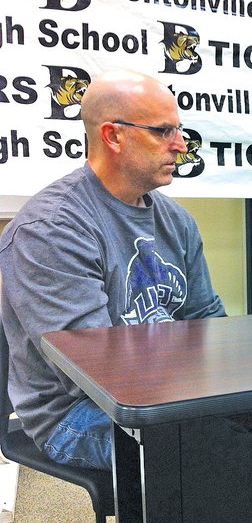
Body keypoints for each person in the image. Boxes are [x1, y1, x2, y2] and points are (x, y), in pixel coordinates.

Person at [0, 69, 226, 472]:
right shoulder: (50, 230)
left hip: (159, 393)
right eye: (162, 131)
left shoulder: (177, 221)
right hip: (76, 414)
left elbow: (207, 321)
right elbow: (92, 373)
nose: (180, 145)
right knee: (211, 449)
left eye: (179, 130)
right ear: (113, 136)